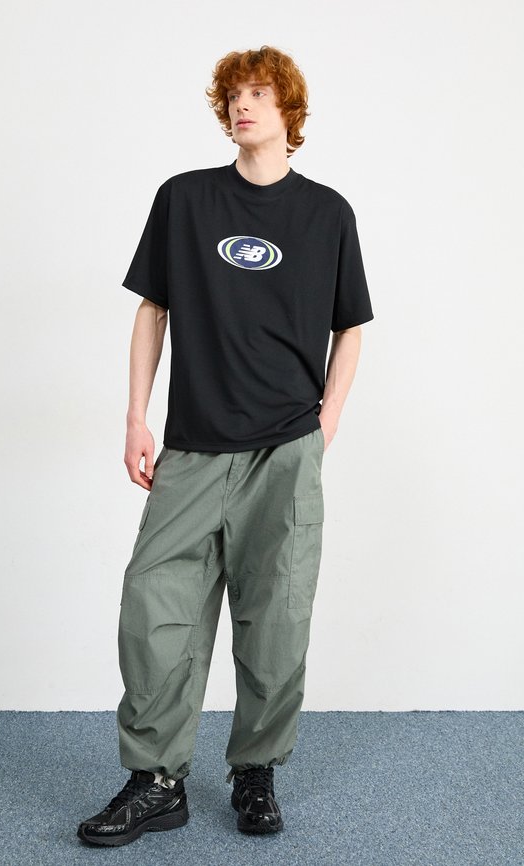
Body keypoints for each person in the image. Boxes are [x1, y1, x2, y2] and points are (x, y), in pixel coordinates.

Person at [77, 44, 374, 847]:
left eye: (259, 95)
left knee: (276, 618)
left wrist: (327, 421)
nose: (242, 106)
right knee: (154, 609)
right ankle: (157, 781)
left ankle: (256, 772)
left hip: (285, 449)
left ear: (289, 111)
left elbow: (350, 326)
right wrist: (136, 417)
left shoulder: (327, 214)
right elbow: (152, 310)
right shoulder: (186, 200)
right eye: (233, 95)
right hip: (193, 445)